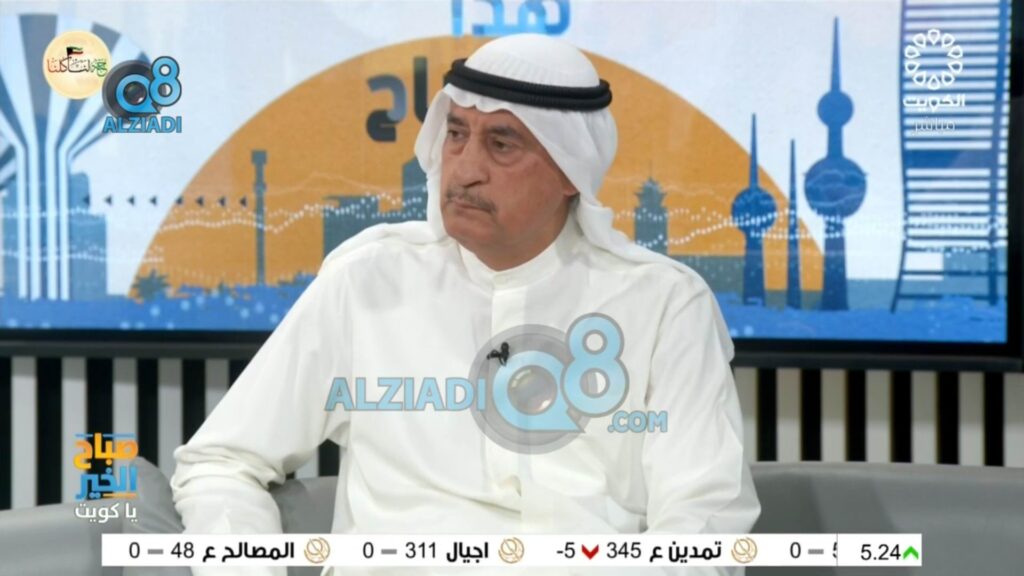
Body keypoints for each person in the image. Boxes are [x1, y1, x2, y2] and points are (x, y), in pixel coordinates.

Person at [171, 33, 760, 575]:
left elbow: (703, 522)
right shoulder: (368, 279)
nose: (466, 169)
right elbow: (221, 462)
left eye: (502, 145)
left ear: (571, 171)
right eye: (455, 135)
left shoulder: (665, 305)